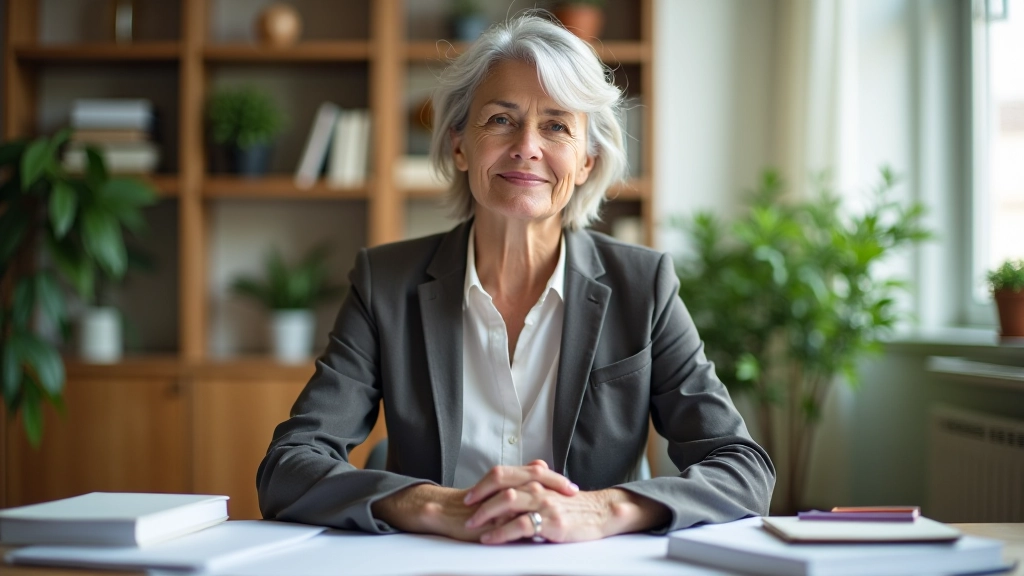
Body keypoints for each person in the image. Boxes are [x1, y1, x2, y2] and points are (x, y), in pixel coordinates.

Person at [257, 13, 774, 544]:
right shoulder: (385, 282)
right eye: (501, 120)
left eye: (556, 126)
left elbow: (742, 468)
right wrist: (436, 506)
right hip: (435, 559)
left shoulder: (644, 286)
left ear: (587, 161)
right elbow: (288, 466)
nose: (527, 145)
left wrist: (603, 510)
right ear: (460, 145)